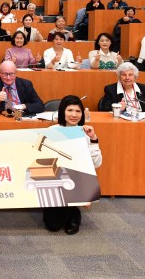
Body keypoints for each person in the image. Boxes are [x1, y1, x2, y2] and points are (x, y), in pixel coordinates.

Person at [42, 95, 102, 235]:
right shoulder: (52, 131)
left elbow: (97, 163)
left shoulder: (86, 133)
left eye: (78, 111)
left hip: (76, 180)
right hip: (55, 179)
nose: (74, 115)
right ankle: (70, 209)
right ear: (62, 112)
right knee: (52, 225)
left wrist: (93, 139)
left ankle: (74, 211)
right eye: (70, 110)